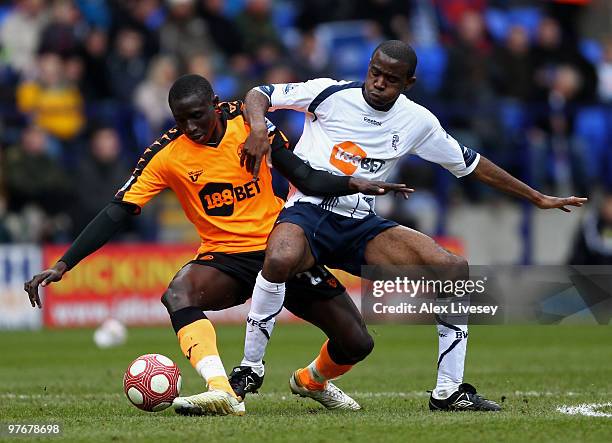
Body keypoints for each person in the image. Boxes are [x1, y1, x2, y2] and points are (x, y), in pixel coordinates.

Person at [23, 74, 410, 416]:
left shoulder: (250, 125)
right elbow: (117, 211)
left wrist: (351, 183)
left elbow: (304, 176)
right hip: (225, 259)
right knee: (178, 293)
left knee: (357, 343)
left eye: (197, 116)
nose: (190, 127)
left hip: (283, 249)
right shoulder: (166, 154)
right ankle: (221, 390)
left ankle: (311, 380)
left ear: (215, 105)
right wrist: (64, 264)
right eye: (180, 119)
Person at [232, 40, 587, 412]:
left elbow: (470, 163)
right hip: (307, 212)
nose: (379, 82)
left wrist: (536, 197)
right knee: (280, 256)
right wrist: (258, 127)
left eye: (391, 78)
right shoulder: (329, 93)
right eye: (375, 72)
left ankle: (448, 390)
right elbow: (259, 93)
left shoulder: (418, 122)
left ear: (409, 83)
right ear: (368, 67)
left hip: (359, 223)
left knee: (452, 269)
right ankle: (249, 369)